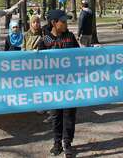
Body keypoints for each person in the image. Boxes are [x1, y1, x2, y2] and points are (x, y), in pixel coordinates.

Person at [38, 10, 79, 157]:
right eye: (63, 21)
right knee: (56, 116)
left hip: (70, 85)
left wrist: (95, 51)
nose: (66, 24)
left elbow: (80, 56)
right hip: (53, 86)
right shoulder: (45, 40)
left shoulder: (70, 37)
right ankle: (57, 143)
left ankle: (67, 143)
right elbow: (38, 63)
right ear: (54, 23)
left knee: (69, 115)